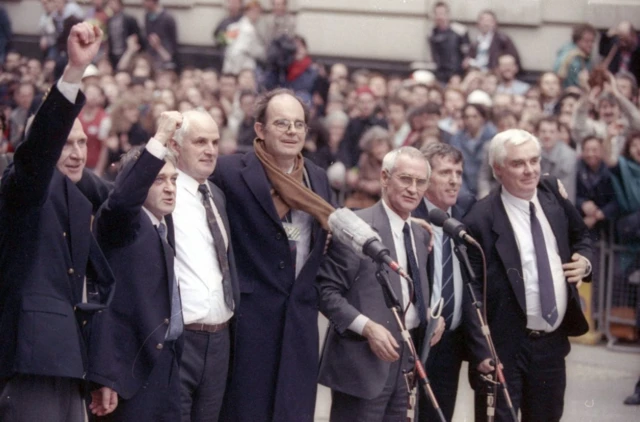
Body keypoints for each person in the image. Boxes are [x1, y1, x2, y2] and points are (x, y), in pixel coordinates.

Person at [0, 22, 118, 421]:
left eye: (83, 142)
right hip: (31, 359)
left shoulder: (83, 196)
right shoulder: (22, 187)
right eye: (65, 142)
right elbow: (37, 157)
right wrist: (73, 73)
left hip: (71, 363)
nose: (76, 151)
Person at [212, 88, 333, 421]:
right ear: (260, 130)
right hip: (249, 321)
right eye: (282, 123)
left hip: (299, 322)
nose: (292, 131)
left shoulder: (317, 178)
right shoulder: (229, 172)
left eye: (298, 124)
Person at [463, 129, 592, 422]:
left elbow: (582, 236)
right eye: (518, 163)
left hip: (551, 344)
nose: (530, 170)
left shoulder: (552, 198)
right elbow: (471, 292)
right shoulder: (479, 219)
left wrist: (585, 262)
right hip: (504, 347)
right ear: (497, 169)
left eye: (534, 161)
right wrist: (481, 350)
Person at [318, 146, 440, 421]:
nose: (413, 188)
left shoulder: (420, 235)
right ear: (385, 178)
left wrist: (431, 318)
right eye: (405, 179)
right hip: (362, 365)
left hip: (406, 365)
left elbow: (410, 294)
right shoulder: (357, 226)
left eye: (420, 182)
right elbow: (325, 292)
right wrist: (368, 328)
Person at [88, 112, 183, 421]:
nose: (170, 188)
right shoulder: (122, 222)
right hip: (128, 374)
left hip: (169, 363)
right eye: (158, 180)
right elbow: (122, 200)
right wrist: (159, 139)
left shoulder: (164, 226)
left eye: (173, 180)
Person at [167, 109, 239, 422]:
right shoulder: (162, 191)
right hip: (181, 340)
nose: (210, 150)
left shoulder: (216, 195)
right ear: (175, 146)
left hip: (220, 338)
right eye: (200, 142)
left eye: (214, 141)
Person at [413, 143, 474, 422]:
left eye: (459, 173)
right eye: (445, 172)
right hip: (416, 335)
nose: (454, 180)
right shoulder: (411, 215)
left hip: (451, 339)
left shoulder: (464, 214)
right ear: (425, 179)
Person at [449, 103, 496, 197]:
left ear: (483, 118)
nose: (470, 120)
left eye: (475, 116)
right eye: (467, 117)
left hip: (489, 189)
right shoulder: (457, 139)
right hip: (465, 187)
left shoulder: (493, 138)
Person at [536, 117, 578, 203]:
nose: (547, 136)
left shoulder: (568, 156)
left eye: (552, 132)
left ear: (558, 134)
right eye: (543, 131)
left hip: (561, 205)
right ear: (537, 133)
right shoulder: (533, 152)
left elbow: (566, 192)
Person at [428, 1, 470, 84]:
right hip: (439, 74)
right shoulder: (432, 34)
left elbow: (467, 56)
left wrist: (458, 74)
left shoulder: (460, 31)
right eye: (437, 14)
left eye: (442, 13)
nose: (440, 17)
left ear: (448, 14)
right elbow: (434, 56)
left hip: (456, 74)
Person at [554, 23, 596, 88]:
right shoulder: (572, 57)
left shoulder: (584, 55)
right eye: (587, 41)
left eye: (592, 41)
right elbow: (573, 72)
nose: (590, 45)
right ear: (577, 41)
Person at [106, 0, 144, 70]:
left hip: (126, 51)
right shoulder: (110, 20)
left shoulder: (129, 19)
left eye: (113, 3)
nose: (111, 5)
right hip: (114, 54)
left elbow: (136, 36)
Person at [143, 0, 178, 70]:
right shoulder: (147, 16)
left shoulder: (168, 17)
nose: (143, 3)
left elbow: (173, 39)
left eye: (146, 1)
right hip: (150, 53)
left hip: (164, 54)